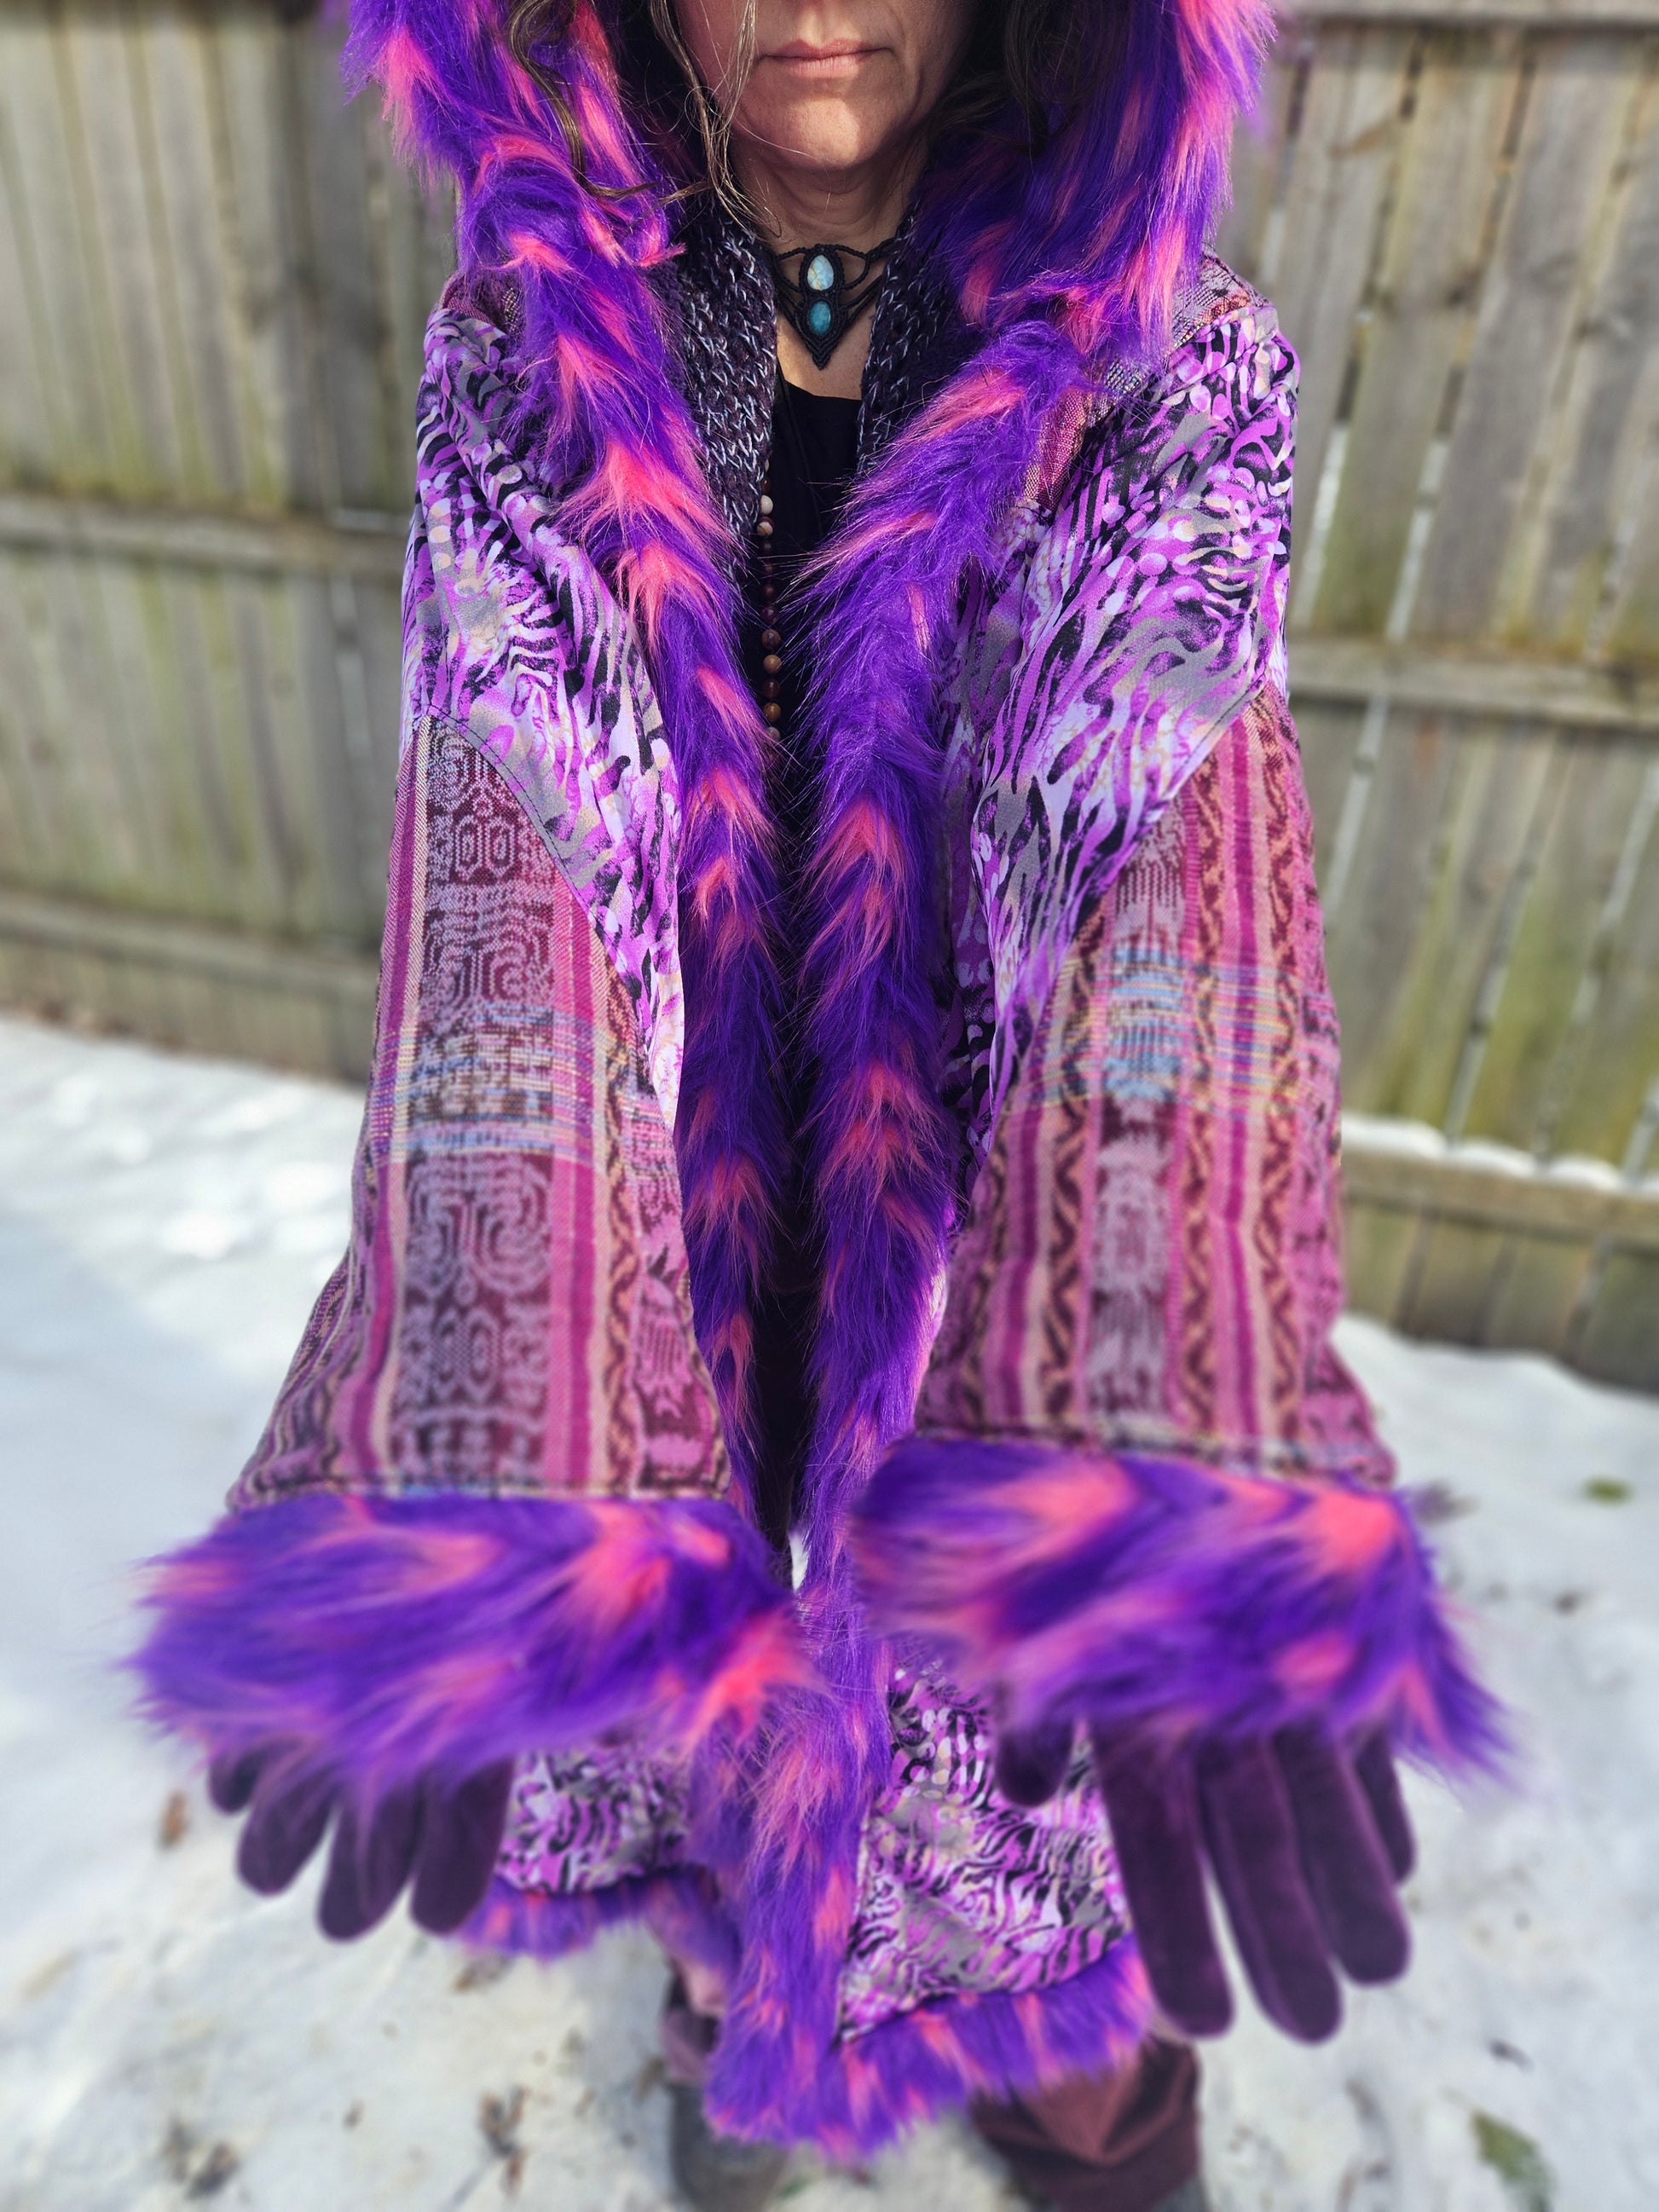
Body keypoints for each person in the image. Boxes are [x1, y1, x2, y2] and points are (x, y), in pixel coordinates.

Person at [132, 3, 1505, 2208]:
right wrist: (492, 1334)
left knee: (1030, 1752)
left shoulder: (1169, 371)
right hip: (664, 1240)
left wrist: (1162, 1356)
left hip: (982, 1255)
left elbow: (1148, 795)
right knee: (684, 1681)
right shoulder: (519, 368)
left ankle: (1069, 2078)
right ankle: (734, 1983)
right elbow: (511, 803)